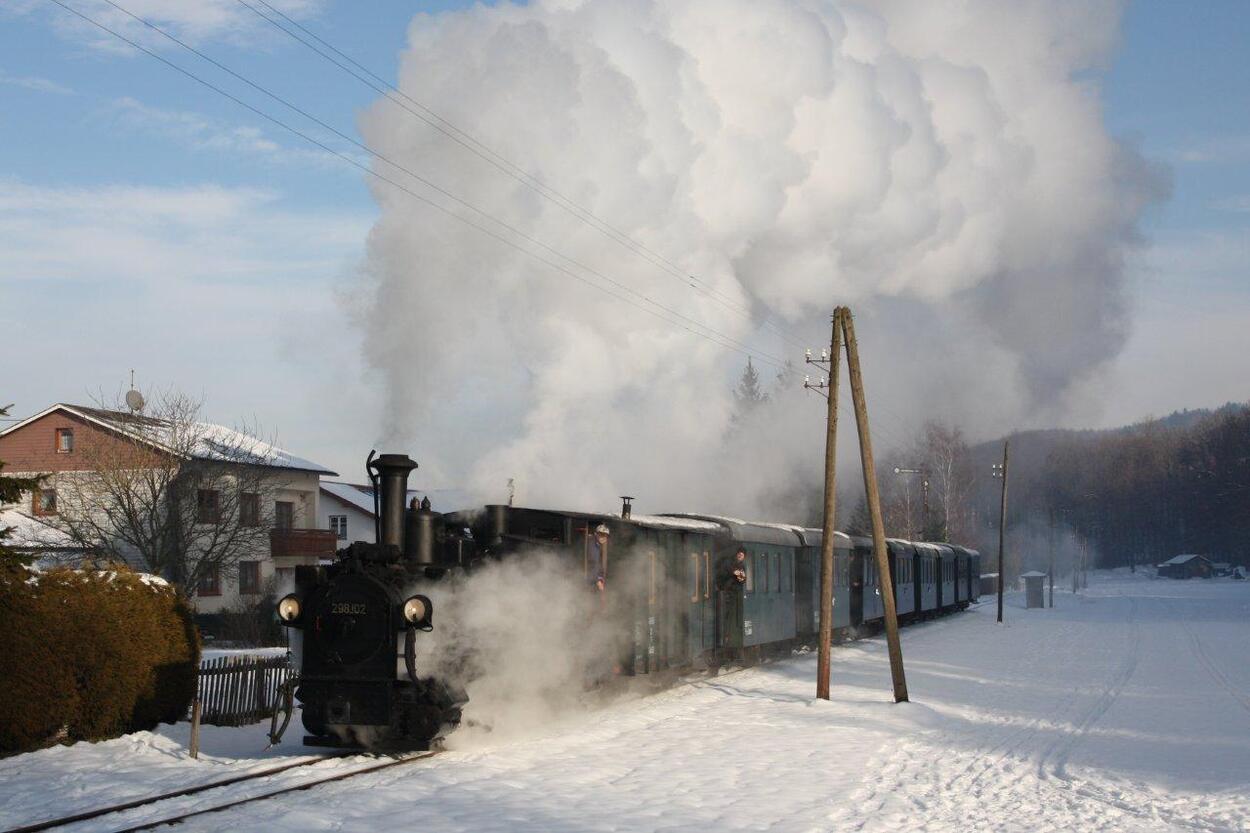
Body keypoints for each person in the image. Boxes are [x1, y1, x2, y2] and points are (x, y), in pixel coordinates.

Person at [589, 523, 610, 591]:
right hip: (589, 581)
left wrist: (600, 578)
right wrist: (598, 580)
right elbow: (593, 565)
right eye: (601, 535)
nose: (603, 537)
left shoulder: (599, 546)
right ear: (596, 534)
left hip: (595, 578)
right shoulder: (592, 546)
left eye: (605, 535)